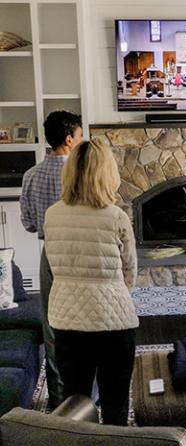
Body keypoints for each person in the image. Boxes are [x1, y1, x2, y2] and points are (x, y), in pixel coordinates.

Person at [44, 139, 139, 425]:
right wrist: (113, 291)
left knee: (76, 402)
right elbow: (130, 271)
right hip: (114, 324)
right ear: (107, 174)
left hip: (67, 321)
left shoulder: (52, 215)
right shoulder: (116, 217)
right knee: (116, 402)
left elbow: (53, 265)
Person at [19, 110, 83, 409]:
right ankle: (84, 396)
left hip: (50, 256)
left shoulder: (31, 175)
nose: (82, 141)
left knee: (53, 326)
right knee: (83, 323)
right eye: (81, 136)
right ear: (69, 140)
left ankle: (59, 400)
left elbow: (29, 224)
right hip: (80, 254)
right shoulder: (81, 174)